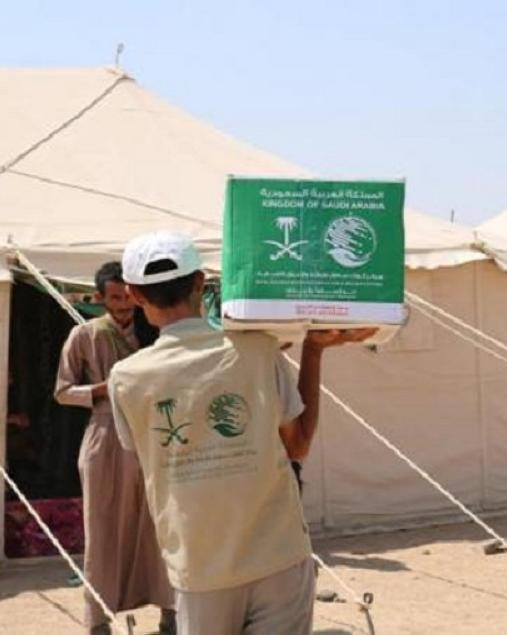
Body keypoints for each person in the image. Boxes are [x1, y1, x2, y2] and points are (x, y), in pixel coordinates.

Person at [107, 231, 374, 635]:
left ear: (133, 294)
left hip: (200, 567)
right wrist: (313, 350)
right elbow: (298, 445)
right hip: (278, 555)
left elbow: (141, 455)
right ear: (200, 282)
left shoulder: (126, 379)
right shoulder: (258, 349)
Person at [55, 262, 176, 634]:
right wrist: (103, 389)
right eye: (115, 298)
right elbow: (62, 392)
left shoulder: (156, 332)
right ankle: (98, 620)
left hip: (152, 432)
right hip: (106, 436)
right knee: (103, 527)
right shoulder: (84, 335)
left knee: (162, 525)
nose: (123, 305)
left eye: (128, 297)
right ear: (99, 298)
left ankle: (170, 610)